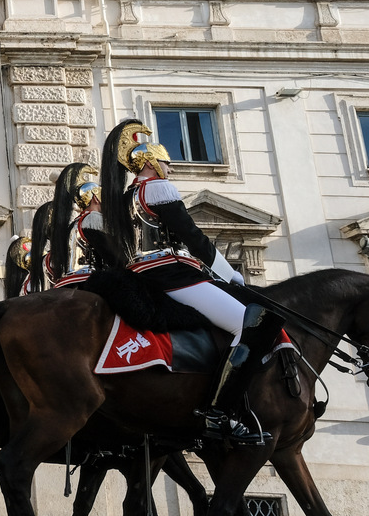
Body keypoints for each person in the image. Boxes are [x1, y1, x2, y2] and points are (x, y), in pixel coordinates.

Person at [100, 119, 284, 446]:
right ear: (153, 162)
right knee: (250, 325)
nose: (170, 168)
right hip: (174, 276)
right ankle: (219, 412)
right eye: (167, 162)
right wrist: (230, 274)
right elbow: (192, 236)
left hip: (143, 275)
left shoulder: (126, 197)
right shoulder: (157, 189)